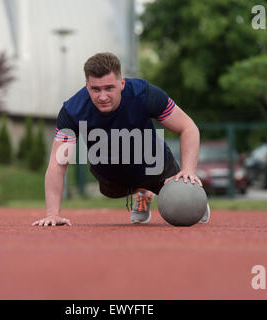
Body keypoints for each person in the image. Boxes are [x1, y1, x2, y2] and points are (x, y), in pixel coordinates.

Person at [32, 52, 210, 227]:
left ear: (122, 83)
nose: (102, 97)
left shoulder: (145, 94)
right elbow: (57, 163)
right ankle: (142, 192)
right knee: (109, 191)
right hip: (112, 174)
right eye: (95, 89)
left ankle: (184, 195)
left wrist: (188, 170)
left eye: (109, 88)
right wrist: (53, 214)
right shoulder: (72, 111)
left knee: (185, 201)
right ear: (87, 86)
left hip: (155, 165)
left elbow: (188, 127)